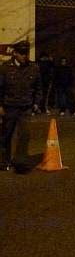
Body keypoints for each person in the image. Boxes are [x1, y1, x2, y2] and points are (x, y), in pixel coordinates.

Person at [0, 40, 42, 172]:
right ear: (15, 54)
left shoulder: (33, 68)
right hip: (9, 106)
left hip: (25, 107)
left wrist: (36, 103)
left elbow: (38, 87)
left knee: (24, 134)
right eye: (22, 53)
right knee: (5, 135)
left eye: (27, 53)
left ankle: (20, 162)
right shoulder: (5, 68)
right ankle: (3, 161)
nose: (25, 56)